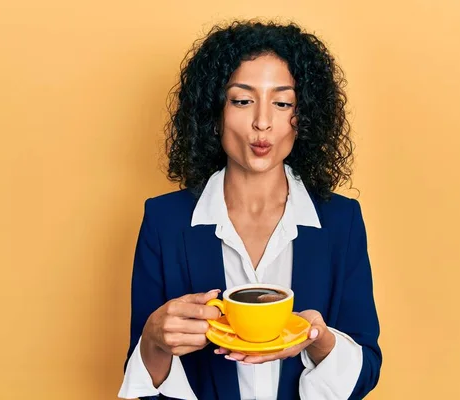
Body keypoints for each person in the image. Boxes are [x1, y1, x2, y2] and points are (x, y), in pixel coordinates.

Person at [118, 20, 382, 400]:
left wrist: (317, 339)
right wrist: (154, 340)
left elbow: (366, 371)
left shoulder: (341, 222)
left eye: (283, 102)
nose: (263, 122)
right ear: (215, 112)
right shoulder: (165, 221)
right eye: (242, 100)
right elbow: (143, 386)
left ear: (304, 116)